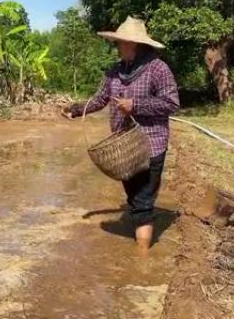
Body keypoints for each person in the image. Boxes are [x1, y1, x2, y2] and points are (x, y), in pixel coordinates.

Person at [62, 16, 180, 251]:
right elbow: (100, 99)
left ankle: (141, 258)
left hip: (151, 145)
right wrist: (75, 110)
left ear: (133, 44)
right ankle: (140, 239)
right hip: (123, 149)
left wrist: (135, 106)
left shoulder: (158, 69)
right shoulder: (115, 71)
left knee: (143, 202)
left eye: (120, 43)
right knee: (134, 198)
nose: (117, 47)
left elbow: (171, 103)